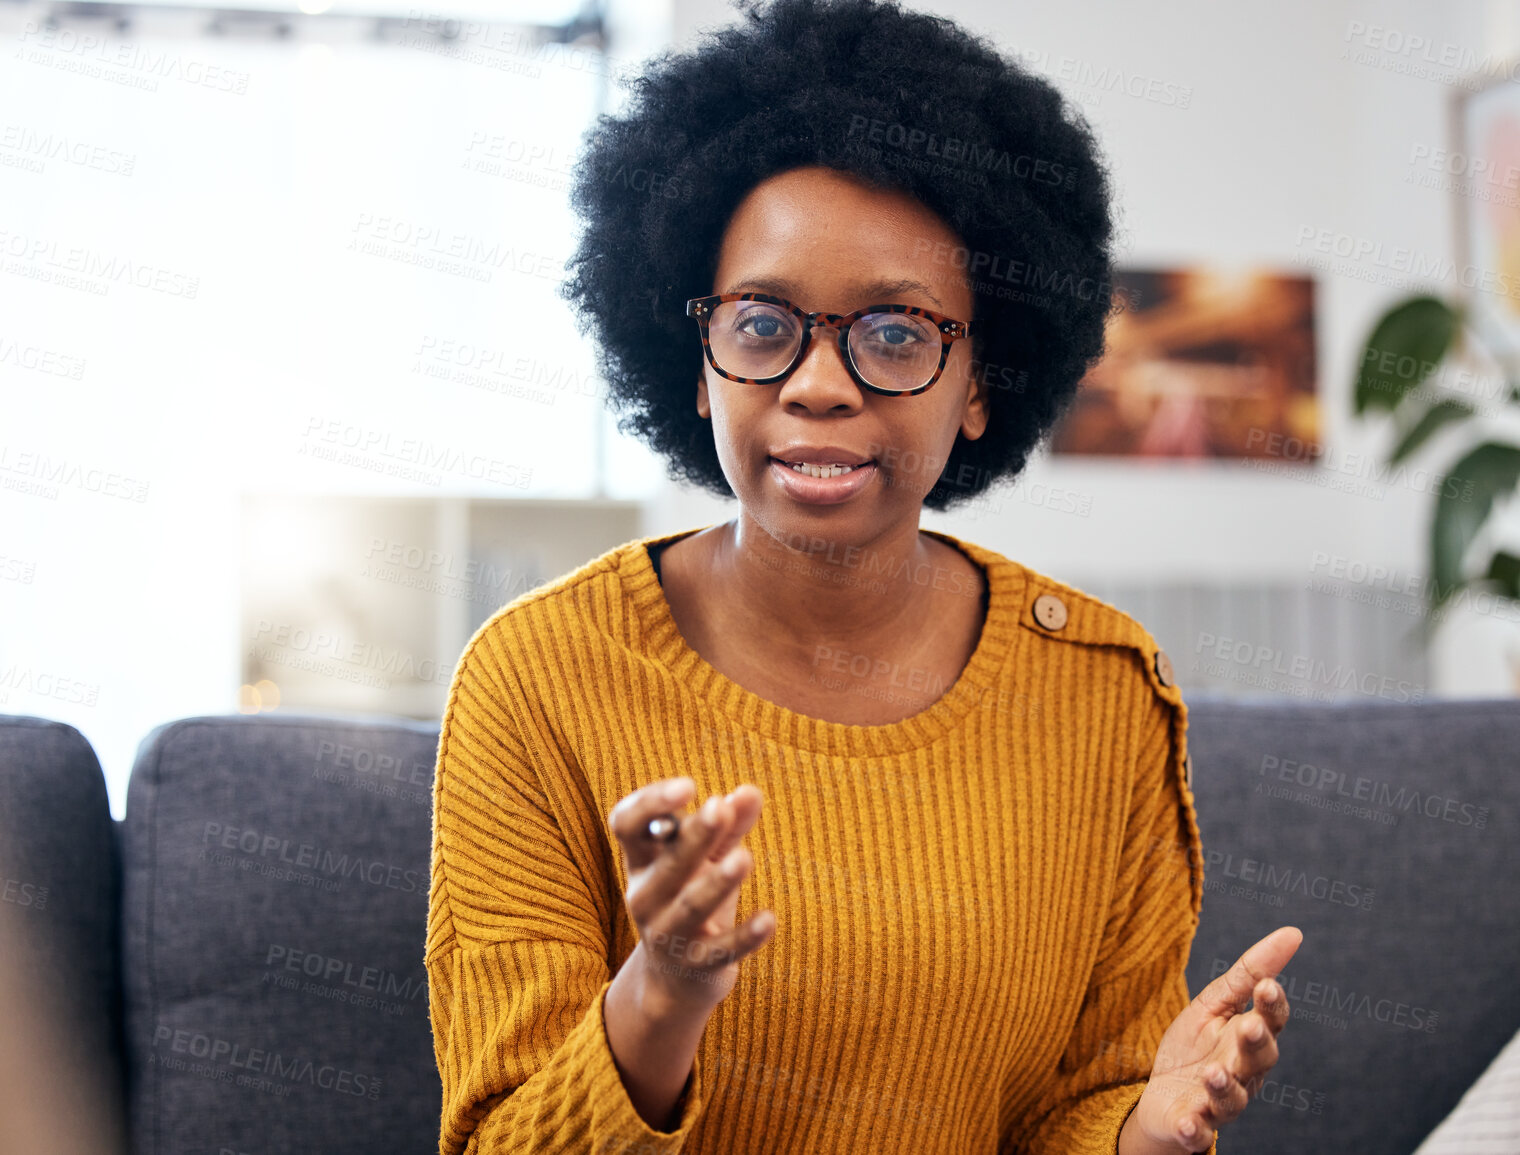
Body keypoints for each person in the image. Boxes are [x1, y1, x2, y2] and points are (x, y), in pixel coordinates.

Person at [424, 1, 1302, 1151]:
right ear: (696, 366)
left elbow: (1075, 1109)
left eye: (894, 333)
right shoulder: (537, 678)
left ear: (983, 379)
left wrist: (1138, 1135)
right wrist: (665, 991)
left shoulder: (1104, 691)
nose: (818, 385)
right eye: (761, 324)